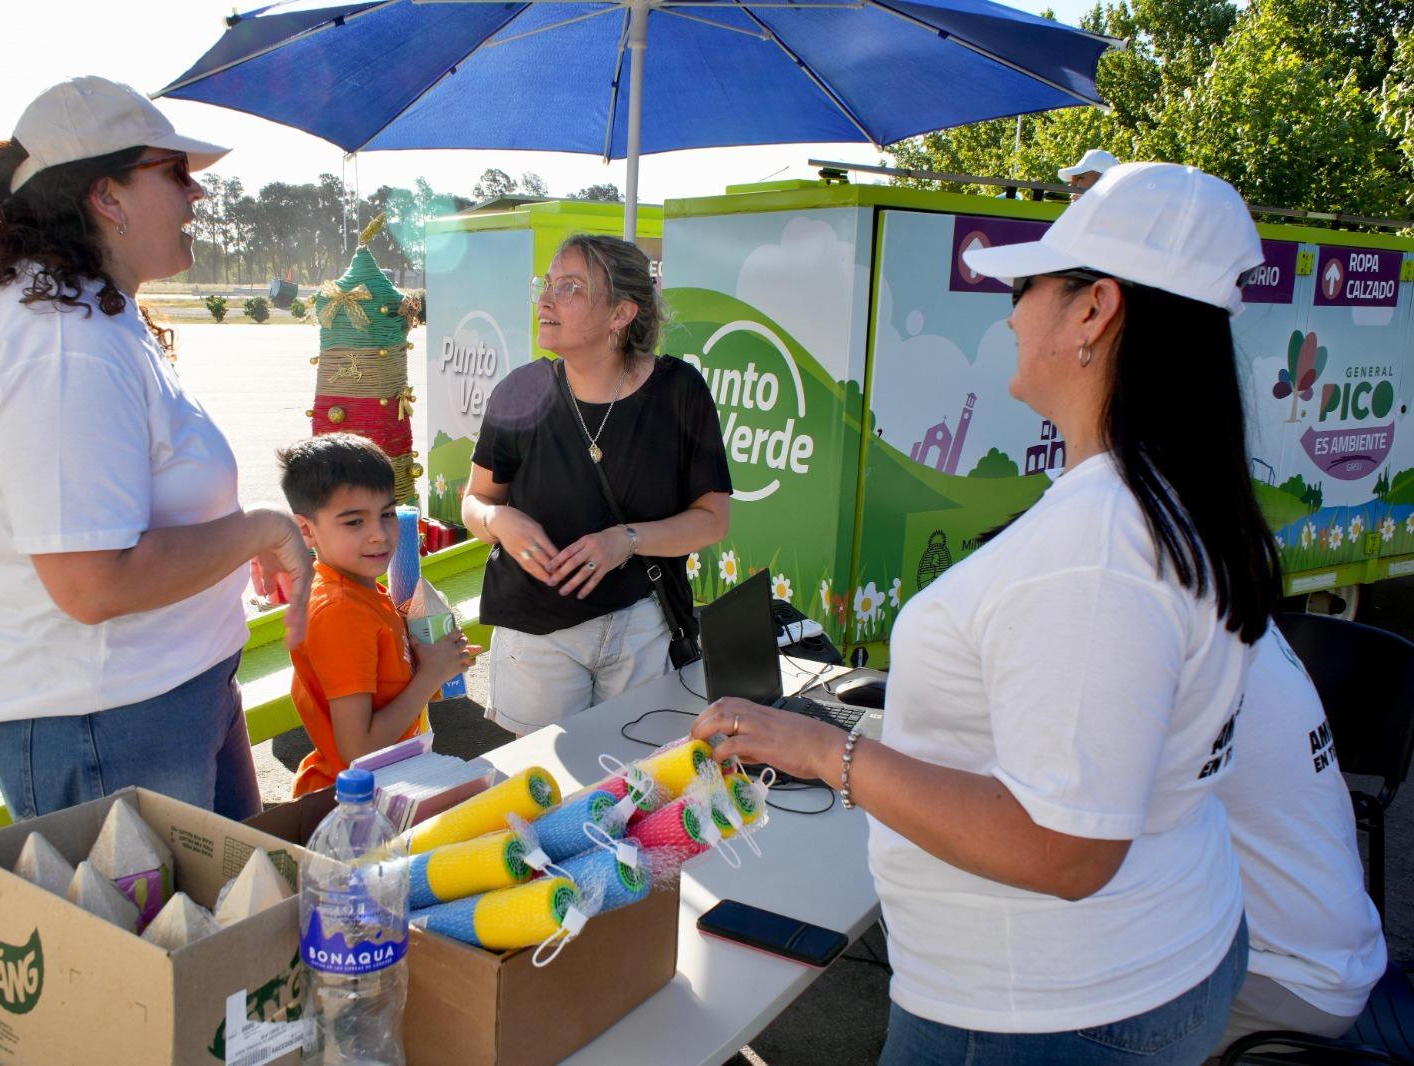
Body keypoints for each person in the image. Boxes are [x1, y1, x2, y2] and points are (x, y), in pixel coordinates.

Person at [692, 163, 1280, 1064]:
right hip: (1148, 956)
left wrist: (819, 749)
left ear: (1094, 312)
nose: (1009, 314)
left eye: (1028, 286)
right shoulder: (1164, 496)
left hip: (1040, 1009)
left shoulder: (1099, 547)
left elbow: (1065, 851)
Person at [0, 76, 312, 822]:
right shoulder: (61, 343)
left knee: (226, 933)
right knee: (150, 942)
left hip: (156, 698)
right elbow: (93, 583)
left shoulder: (87, 315)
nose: (197, 196)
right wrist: (257, 531)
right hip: (108, 722)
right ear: (107, 197)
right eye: (174, 174)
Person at [460, 234, 732, 735]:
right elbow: (474, 502)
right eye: (546, 283)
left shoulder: (679, 392)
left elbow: (713, 519)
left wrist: (625, 541)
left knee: (640, 788)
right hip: (535, 638)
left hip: (641, 625)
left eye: (571, 288)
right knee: (538, 794)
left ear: (621, 313)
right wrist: (500, 520)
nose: (545, 299)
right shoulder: (519, 392)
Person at [1212, 625, 1386, 1054]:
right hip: (1329, 954)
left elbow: (1068, 855)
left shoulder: (1156, 630)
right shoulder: (1231, 603)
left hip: (1280, 978)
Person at [278, 433, 476, 797]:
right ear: (306, 530)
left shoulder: (362, 586)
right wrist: (432, 672)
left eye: (386, 514)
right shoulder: (341, 611)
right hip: (357, 804)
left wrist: (435, 657)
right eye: (354, 522)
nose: (379, 535)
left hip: (392, 780)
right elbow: (360, 751)